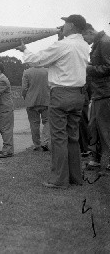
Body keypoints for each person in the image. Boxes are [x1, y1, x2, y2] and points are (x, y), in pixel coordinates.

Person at [16, 14, 90, 189]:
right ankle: (75, 178)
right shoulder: (84, 45)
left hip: (61, 94)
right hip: (78, 95)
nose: (62, 26)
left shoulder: (63, 45)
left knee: (58, 138)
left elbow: (37, 60)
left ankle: (59, 180)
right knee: (73, 137)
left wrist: (25, 50)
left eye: (65, 23)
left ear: (71, 25)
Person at [82, 23, 110, 171]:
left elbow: (108, 67)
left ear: (90, 32)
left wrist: (89, 68)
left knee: (105, 127)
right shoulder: (99, 42)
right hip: (98, 92)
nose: (84, 41)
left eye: (84, 37)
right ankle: (95, 158)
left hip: (105, 93)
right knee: (93, 126)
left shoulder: (105, 42)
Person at [21, 65, 50, 151]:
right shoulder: (48, 71)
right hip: (46, 100)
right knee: (47, 121)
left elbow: (24, 88)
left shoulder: (27, 72)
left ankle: (37, 144)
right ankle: (46, 142)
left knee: (34, 124)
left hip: (32, 101)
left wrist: (25, 97)